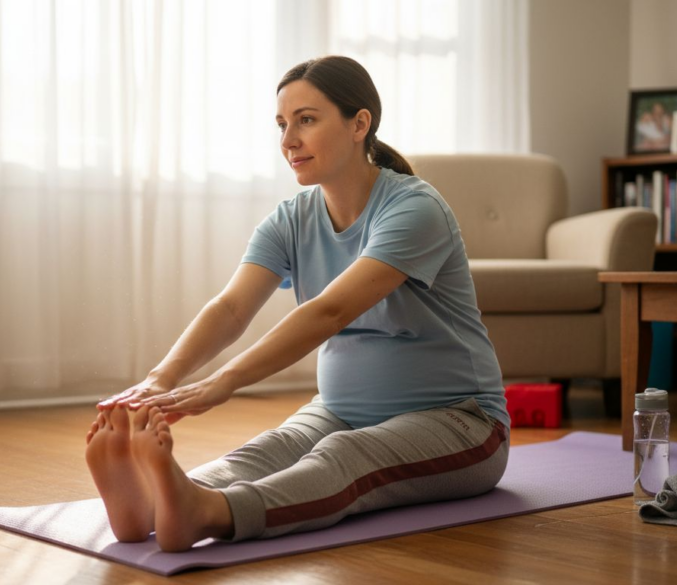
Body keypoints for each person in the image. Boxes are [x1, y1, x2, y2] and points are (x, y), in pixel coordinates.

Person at [85, 55, 511, 552]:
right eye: (282, 125)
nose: (288, 141)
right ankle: (153, 504)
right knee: (266, 451)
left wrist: (223, 384)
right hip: (339, 409)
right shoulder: (290, 220)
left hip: (461, 424)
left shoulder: (415, 209)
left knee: (345, 456)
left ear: (359, 124)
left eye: (306, 120)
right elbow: (231, 309)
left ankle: (208, 513)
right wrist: (161, 378)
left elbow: (329, 312)